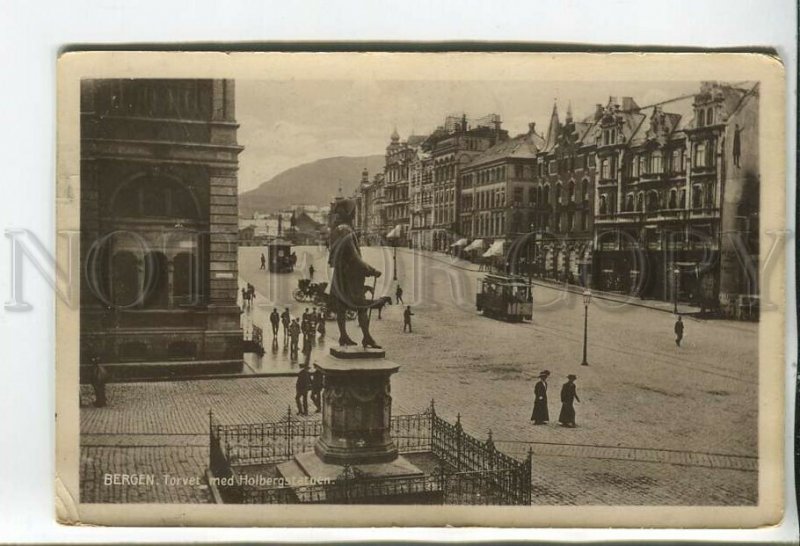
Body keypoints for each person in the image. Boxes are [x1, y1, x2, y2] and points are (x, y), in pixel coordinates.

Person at [327, 197, 382, 348]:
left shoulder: (336, 229)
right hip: (351, 276)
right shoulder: (346, 230)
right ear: (350, 213)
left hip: (340, 274)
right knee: (362, 307)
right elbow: (354, 256)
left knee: (341, 308)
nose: (354, 215)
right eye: (353, 212)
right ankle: (367, 337)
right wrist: (372, 270)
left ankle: (343, 336)